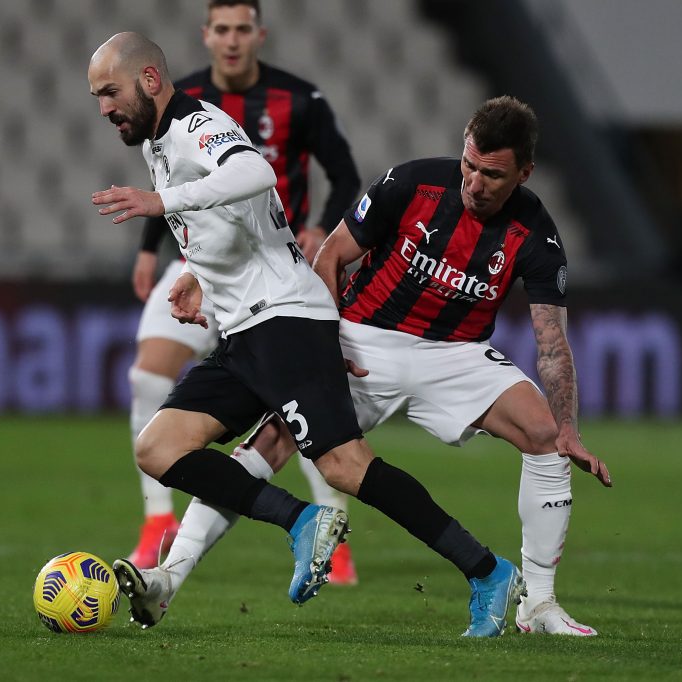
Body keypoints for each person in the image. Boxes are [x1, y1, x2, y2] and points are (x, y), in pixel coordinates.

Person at [88, 31, 524, 637]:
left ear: (151, 81)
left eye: (110, 92)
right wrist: (194, 271)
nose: (104, 107)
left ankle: (487, 571)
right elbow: (231, 220)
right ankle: (245, 545)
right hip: (243, 331)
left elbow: (253, 173)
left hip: (287, 319)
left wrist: (162, 202)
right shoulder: (159, 141)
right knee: (159, 448)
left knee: (345, 466)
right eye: (97, 97)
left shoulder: (192, 124)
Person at [150, 96, 613, 636]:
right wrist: (323, 343)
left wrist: (570, 429)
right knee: (270, 444)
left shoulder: (537, 234)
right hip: (363, 339)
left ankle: (538, 603)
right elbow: (330, 257)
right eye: (469, 165)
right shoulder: (413, 183)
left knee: (544, 433)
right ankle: (169, 577)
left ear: (524, 173)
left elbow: (551, 341)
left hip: (454, 352)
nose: (475, 183)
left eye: (493, 174)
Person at [123, 0, 361, 580]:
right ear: (206, 36)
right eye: (221, 29)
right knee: (148, 377)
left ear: (259, 34)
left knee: (295, 412)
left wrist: (320, 230)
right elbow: (175, 190)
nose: (231, 40)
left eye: (241, 29)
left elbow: (343, 175)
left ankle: (330, 526)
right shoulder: (175, 104)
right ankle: (159, 521)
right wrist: (155, 250)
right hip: (201, 266)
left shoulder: (298, 99)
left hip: (273, 270)